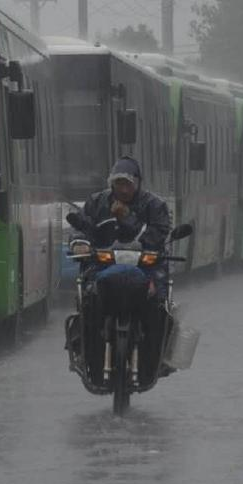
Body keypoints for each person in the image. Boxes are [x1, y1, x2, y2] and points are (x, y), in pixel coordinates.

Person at [69, 156, 172, 377]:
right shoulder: (97, 203)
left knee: (160, 306)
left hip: (145, 269)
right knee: (86, 301)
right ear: (111, 184)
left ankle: (159, 356)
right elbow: (83, 228)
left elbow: (157, 237)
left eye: (128, 184)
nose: (123, 189)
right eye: (118, 184)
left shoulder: (154, 206)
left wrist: (128, 218)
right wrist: (79, 243)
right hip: (102, 266)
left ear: (137, 183)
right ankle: (82, 350)